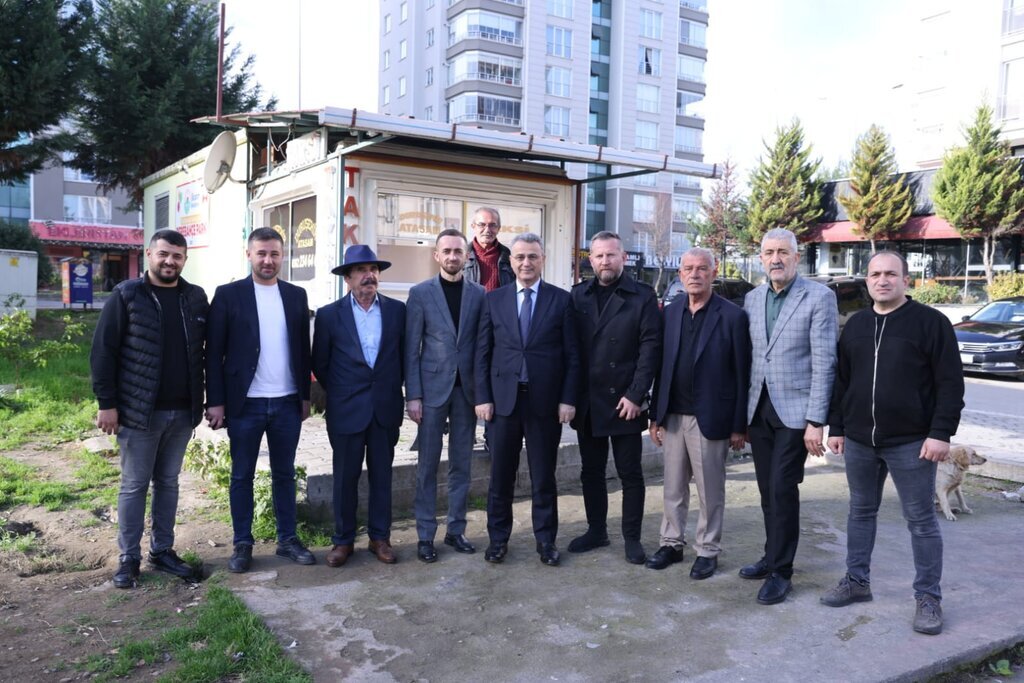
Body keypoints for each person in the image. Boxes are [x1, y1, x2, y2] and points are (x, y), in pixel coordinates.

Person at [821, 250, 964, 635]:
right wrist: (837, 427)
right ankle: (857, 581)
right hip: (859, 441)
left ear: (905, 280)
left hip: (912, 443)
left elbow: (950, 383)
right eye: (875, 274)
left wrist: (940, 433)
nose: (882, 280)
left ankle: (928, 597)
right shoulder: (856, 324)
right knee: (860, 511)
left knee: (921, 521)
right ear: (867, 281)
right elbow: (842, 381)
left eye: (890, 274)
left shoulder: (930, 323)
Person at [90, 229, 209, 588]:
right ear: (149, 254)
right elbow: (103, 352)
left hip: (183, 412)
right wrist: (107, 404)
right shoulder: (127, 295)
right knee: (134, 485)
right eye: (163, 254)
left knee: (168, 483)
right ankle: (129, 558)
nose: (170, 261)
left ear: (184, 259)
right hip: (139, 413)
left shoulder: (195, 297)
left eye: (177, 255)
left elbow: (206, 351)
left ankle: (162, 550)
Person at [204, 227, 315, 573]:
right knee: (242, 476)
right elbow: (213, 353)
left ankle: (287, 540)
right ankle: (242, 543)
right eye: (262, 253)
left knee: (285, 474)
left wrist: (305, 397)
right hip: (245, 403)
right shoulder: (228, 295)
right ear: (249, 254)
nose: (268, 260)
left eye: (275, 254)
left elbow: (303, 351)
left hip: (286, 403)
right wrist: (215, 401)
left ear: (283, 257)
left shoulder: (296, 295)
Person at [742, 227, 837, 605]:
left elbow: (825, 361)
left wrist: (816, 420)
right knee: (767, 490)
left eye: (783, 252)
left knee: (782, 489)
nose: (776, 259)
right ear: (761, 258)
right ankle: (771, 555)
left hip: (796, 413)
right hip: (758, 409)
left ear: (797, 257)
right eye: (769, 252)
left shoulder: (819, 297)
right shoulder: (752, 298)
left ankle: (782, 572)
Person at [475, 233, 579, 566]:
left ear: (542, 259)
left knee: (543, 476)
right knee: (500, 477)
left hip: (545, 404)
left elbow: (572, 356)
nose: (526, 263)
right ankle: (498, 540)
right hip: (502, 404)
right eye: (520, 257)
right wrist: (483, 397)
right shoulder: (494, 300)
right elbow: (482, 353)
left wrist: (567, 399)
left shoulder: (561, 301)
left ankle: (546, 541)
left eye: (532, 256)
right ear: (511, 262)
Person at [648, 248, 751, 579]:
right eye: (688, 269)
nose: (695, 274)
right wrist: (655, 415)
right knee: (673, 488)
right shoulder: (670, 313)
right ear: (680, 274)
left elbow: (742, 374)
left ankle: (707, 549)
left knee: (710, 491)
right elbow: (661, 368)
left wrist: (739, 425)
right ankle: (671, 543)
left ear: (713, 272)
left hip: (712, 417)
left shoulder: (733, 316)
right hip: (673, 416)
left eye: (702, 268)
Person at [567, 231, 661, 565]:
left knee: (630, 473)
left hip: (625, 401)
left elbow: (650, 349)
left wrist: (636, 395)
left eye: (611, 255)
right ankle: (596, 531)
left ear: (623, 257)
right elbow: (571, 351)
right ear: (590, 260)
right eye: (599, 256)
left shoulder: (642, 296)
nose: (605, 261)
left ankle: (632, 538)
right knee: (591, 472)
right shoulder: (578, 295)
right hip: (590, 401)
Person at [312, 245, 405, 567]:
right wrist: (344, 391)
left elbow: (403, 357)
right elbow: (321, 363)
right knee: (344, 478)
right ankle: (343, 540)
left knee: (382, 477)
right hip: (346, 409)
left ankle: (380, 538)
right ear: (348, 278)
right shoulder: (328, 315)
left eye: (374, 270)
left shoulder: (397, 311)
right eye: (362, 271)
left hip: (384, 408)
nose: (369, 276)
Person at [405, 229, 486, 562]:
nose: (453, 256)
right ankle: (425, 535)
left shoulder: (480, 294)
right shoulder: (420, 293)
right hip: (431, 392)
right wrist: (413, 395)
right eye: (447, 251)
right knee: (427, 466)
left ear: (466, 256)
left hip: (467, 393)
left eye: (458, 251)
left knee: (461, 465)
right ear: (437, 255)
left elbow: (482, 346)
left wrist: (483, 393)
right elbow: (411, 348)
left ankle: (456, 530)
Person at [462, 207, 514, 290]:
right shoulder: (462, 255)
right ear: (473, 226)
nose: (487, 230)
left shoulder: (509, 256)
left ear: (498, 228)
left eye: (492, 225)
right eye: (481, 225)